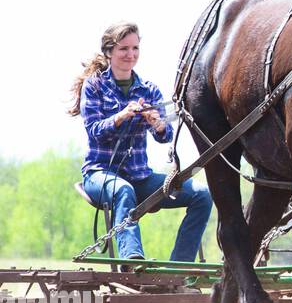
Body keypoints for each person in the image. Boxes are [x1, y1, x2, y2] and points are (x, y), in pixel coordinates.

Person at [69, 22, 212, 262]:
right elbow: (94, 131)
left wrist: (158, 124)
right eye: (124, 49)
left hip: (140, 176)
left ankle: (180, 265)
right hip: (100, 174)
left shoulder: (149, 90)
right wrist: (121, 116)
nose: (130, 54)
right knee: (123, 190)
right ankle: (131, 259)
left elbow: (165, 137)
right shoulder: (94, 86)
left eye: (135, 48)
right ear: (109, 52)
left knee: (202, 195)